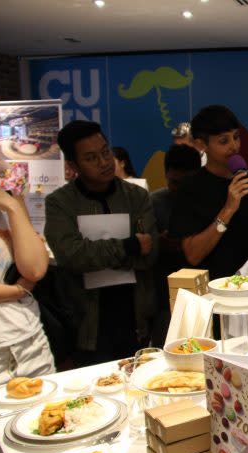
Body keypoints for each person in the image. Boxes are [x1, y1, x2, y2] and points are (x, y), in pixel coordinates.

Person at [45, 120, 157, 365]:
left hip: (135, 313)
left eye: (105, 152)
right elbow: (71, 256)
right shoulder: (60, 203)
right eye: (91, 158)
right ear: (73, 165)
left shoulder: (136, 195)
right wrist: (128, 246)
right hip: (87, 321)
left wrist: (95, 255)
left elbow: (150, 253)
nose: (104, 162)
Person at [168, 105, 248, 281]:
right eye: (223, 141)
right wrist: (227, 210)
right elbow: (193, 255)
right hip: (214, 292)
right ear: (201, 144)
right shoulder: (190, 188)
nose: (234, 147)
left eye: (236, 137)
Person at [0, 112, 55, 386]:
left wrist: (14, 207)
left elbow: (35, 268)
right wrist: (16, 290)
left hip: (30, 341)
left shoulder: (4, 195)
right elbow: (27, 280)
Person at [150, 144, 200, 346]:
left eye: (187, 182)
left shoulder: (208, 201)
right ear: (165, 176)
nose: (180, 188)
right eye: (174, 182)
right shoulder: (154, 202)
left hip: (201, 284)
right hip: (164, 289)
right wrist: (158, 243)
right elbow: (145, 245)